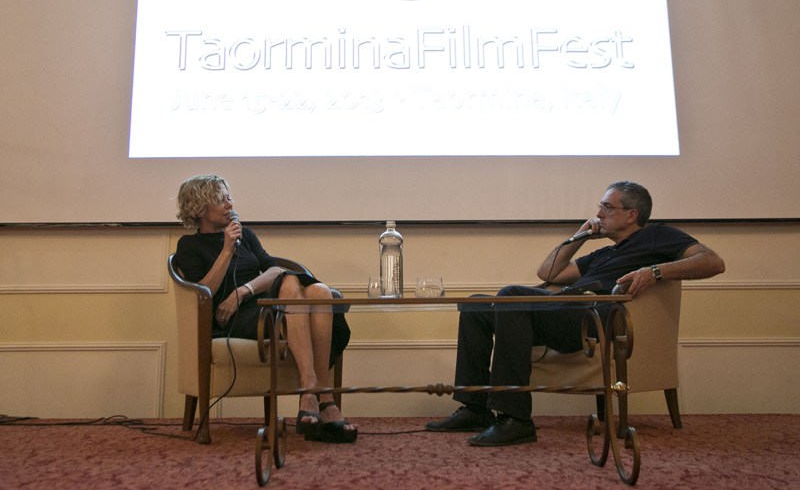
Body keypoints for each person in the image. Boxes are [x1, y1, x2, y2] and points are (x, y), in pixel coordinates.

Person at [425, 181, 725, 447]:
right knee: (476, 305)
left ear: (631, 215)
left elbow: (713, 261)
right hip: (563, 313)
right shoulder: (604, 252)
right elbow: (548, 272)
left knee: (511, 294)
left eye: (607, 207)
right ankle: (475, 408)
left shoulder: (658, 235)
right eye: (600, 207)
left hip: (594, 320)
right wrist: (580, 235)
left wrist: (656, 271)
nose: (599, 213)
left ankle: (515, 419)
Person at [174, 174, 357, 443]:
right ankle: (322, 398)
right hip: (230, 318)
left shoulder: (246, 235)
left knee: (319, 291)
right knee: (294, 284)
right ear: (200, 208)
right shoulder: (189, 245)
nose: (230, 204)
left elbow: (274, 269)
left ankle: (312, 392)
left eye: (229, 198)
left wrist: (243, 291)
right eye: (221, 199)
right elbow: (204, 293)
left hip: (261, 305)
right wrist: (226, 250)